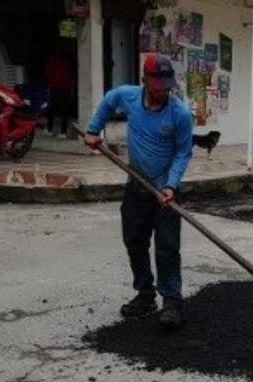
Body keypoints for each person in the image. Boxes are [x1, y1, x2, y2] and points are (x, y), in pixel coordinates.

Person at [84, 54, 193, 329]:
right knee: (134, 242)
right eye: (159, 85)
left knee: (167, 248)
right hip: (137, 187)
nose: (164, 91)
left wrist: (170, 185)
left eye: (168, 85)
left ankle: (171, 301)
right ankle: (145, 295)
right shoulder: (128, 96)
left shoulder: (179, 113)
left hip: (165, 192)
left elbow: (183, 152)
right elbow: (109, 101)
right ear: (145, 80)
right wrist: (93, 129)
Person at [45, 48, 75, 138]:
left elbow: (48, 75)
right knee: (64, 111)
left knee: (51, 110)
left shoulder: (52, 60)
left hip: (54, 88)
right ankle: (63, 132)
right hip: (65, 89)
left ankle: (49, 130)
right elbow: (71, 76)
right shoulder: (67, 61)